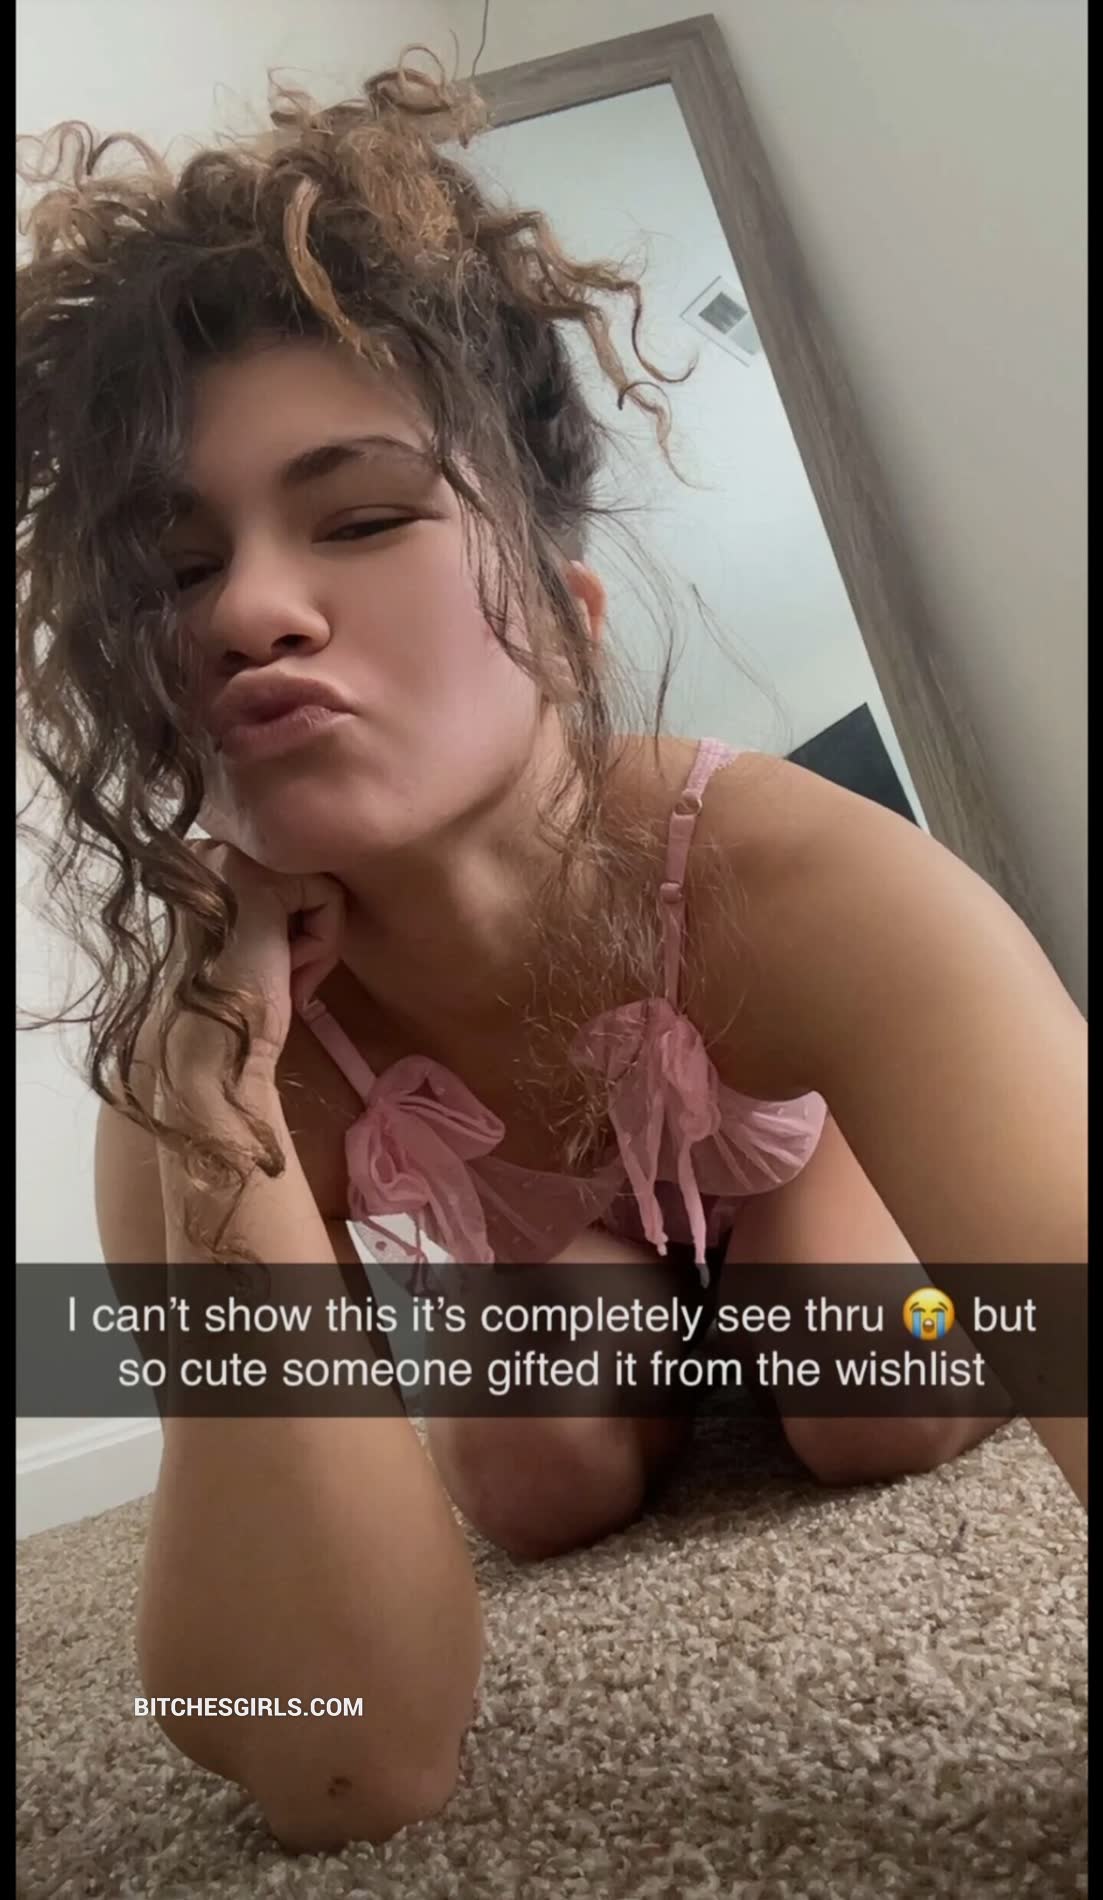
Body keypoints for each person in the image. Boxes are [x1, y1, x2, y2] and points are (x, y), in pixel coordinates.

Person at [16, 56, 1085, 1856]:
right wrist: (223, 1129)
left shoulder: (784, 877)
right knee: (532, 1477)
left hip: (779, 1164)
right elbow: (332, 1756)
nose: (250, 612)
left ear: (569, 629)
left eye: (365, 516)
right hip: (552, 1237)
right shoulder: (210, 1049)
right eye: (175, 571)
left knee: (874, 1386)